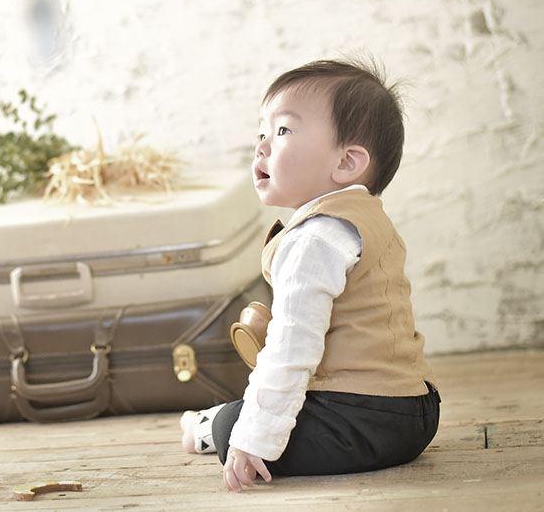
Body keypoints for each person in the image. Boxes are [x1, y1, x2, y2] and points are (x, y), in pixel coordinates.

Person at [180, 58, 440, 493]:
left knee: (238, 431)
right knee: (262, 409)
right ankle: (221, 417)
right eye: (261, 132)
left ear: (347, 162)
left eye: (282, 131)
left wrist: (252, 440)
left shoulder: (314, 240)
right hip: (417, 410)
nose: (261, 146)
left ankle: (210, 427)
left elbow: (291, 346)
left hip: (360, 417)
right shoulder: (363, 220)